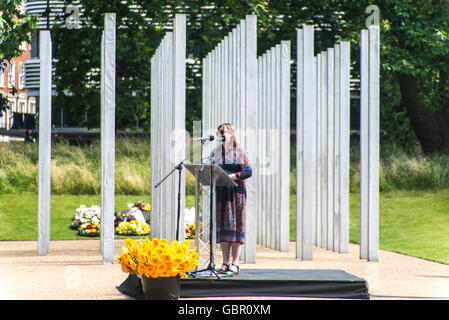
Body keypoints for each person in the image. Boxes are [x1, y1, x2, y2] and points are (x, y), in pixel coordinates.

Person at [212, 123, 252, 275]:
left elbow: (248, 171)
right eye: (220, 132)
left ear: (232, 134)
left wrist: (235, 176)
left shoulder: (240, 151)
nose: (222, 134)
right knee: (223, 229)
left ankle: (235, 263)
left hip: (236, 194)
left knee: (236, 229)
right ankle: (224, 263)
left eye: (225, 131)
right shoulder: (216, 152)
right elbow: (210, 168)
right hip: (222, 194)